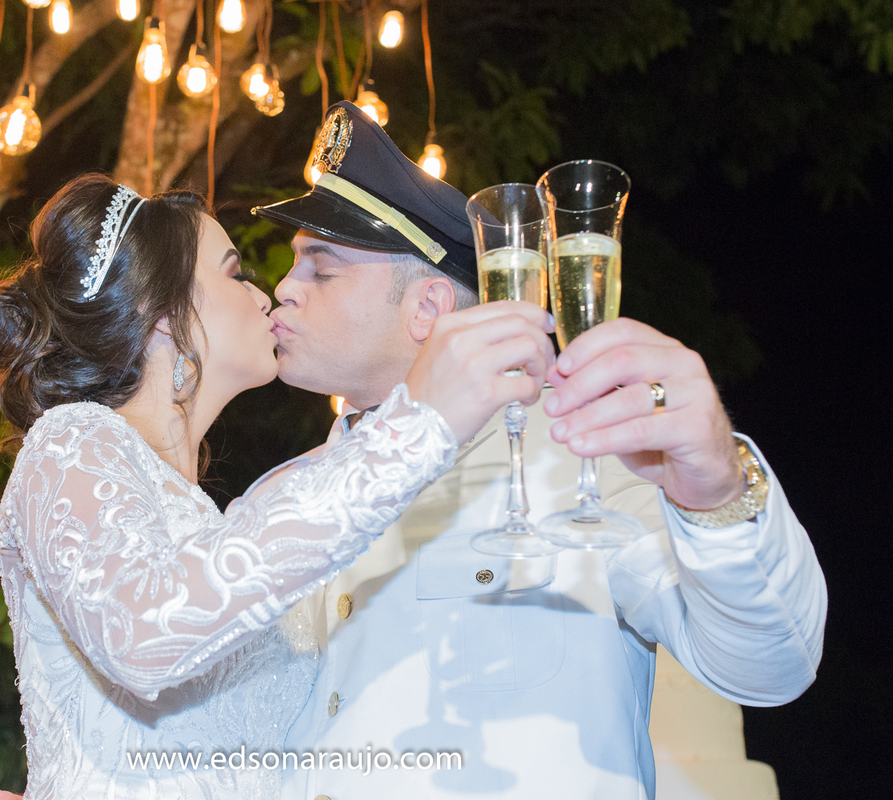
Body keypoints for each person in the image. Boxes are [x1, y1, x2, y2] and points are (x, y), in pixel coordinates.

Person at [249, 102, 826, 800]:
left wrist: (718, 493)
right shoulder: (276, 498)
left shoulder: (584, 452)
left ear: (428, 307)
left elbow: (771, 667)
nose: (282, 287)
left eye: (322, 267)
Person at [0, 172, 555, 800]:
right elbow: (144, 631)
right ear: (164, 315)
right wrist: (418, 429)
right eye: (235, 272)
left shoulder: (218, 527)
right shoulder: (74, 442)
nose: (267, 294)